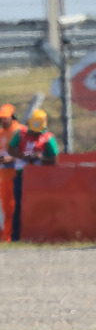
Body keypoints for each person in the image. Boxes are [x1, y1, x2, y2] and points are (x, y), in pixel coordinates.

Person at [8, 109, 58, 241]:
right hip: (22, 176)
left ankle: (44, 235)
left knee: (42, 206)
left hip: (41, 180)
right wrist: (25, 157)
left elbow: (54, 161)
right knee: (19, 206)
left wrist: (41, 158)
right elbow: (11, 149)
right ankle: (16, 236)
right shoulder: (21, 134)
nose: (35, 134)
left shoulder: (48, 139)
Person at [0, 104, 25, 243]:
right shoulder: (1, 133)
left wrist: (12, 158)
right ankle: (6, 237)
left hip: (18, 175)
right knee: (6, 209)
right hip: (4, 176)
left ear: (12, 116)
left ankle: (16, 236)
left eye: (5, 118)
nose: (3, 121)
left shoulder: (20, 132)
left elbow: (28, 153)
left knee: (16, 207)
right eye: (1, 118)